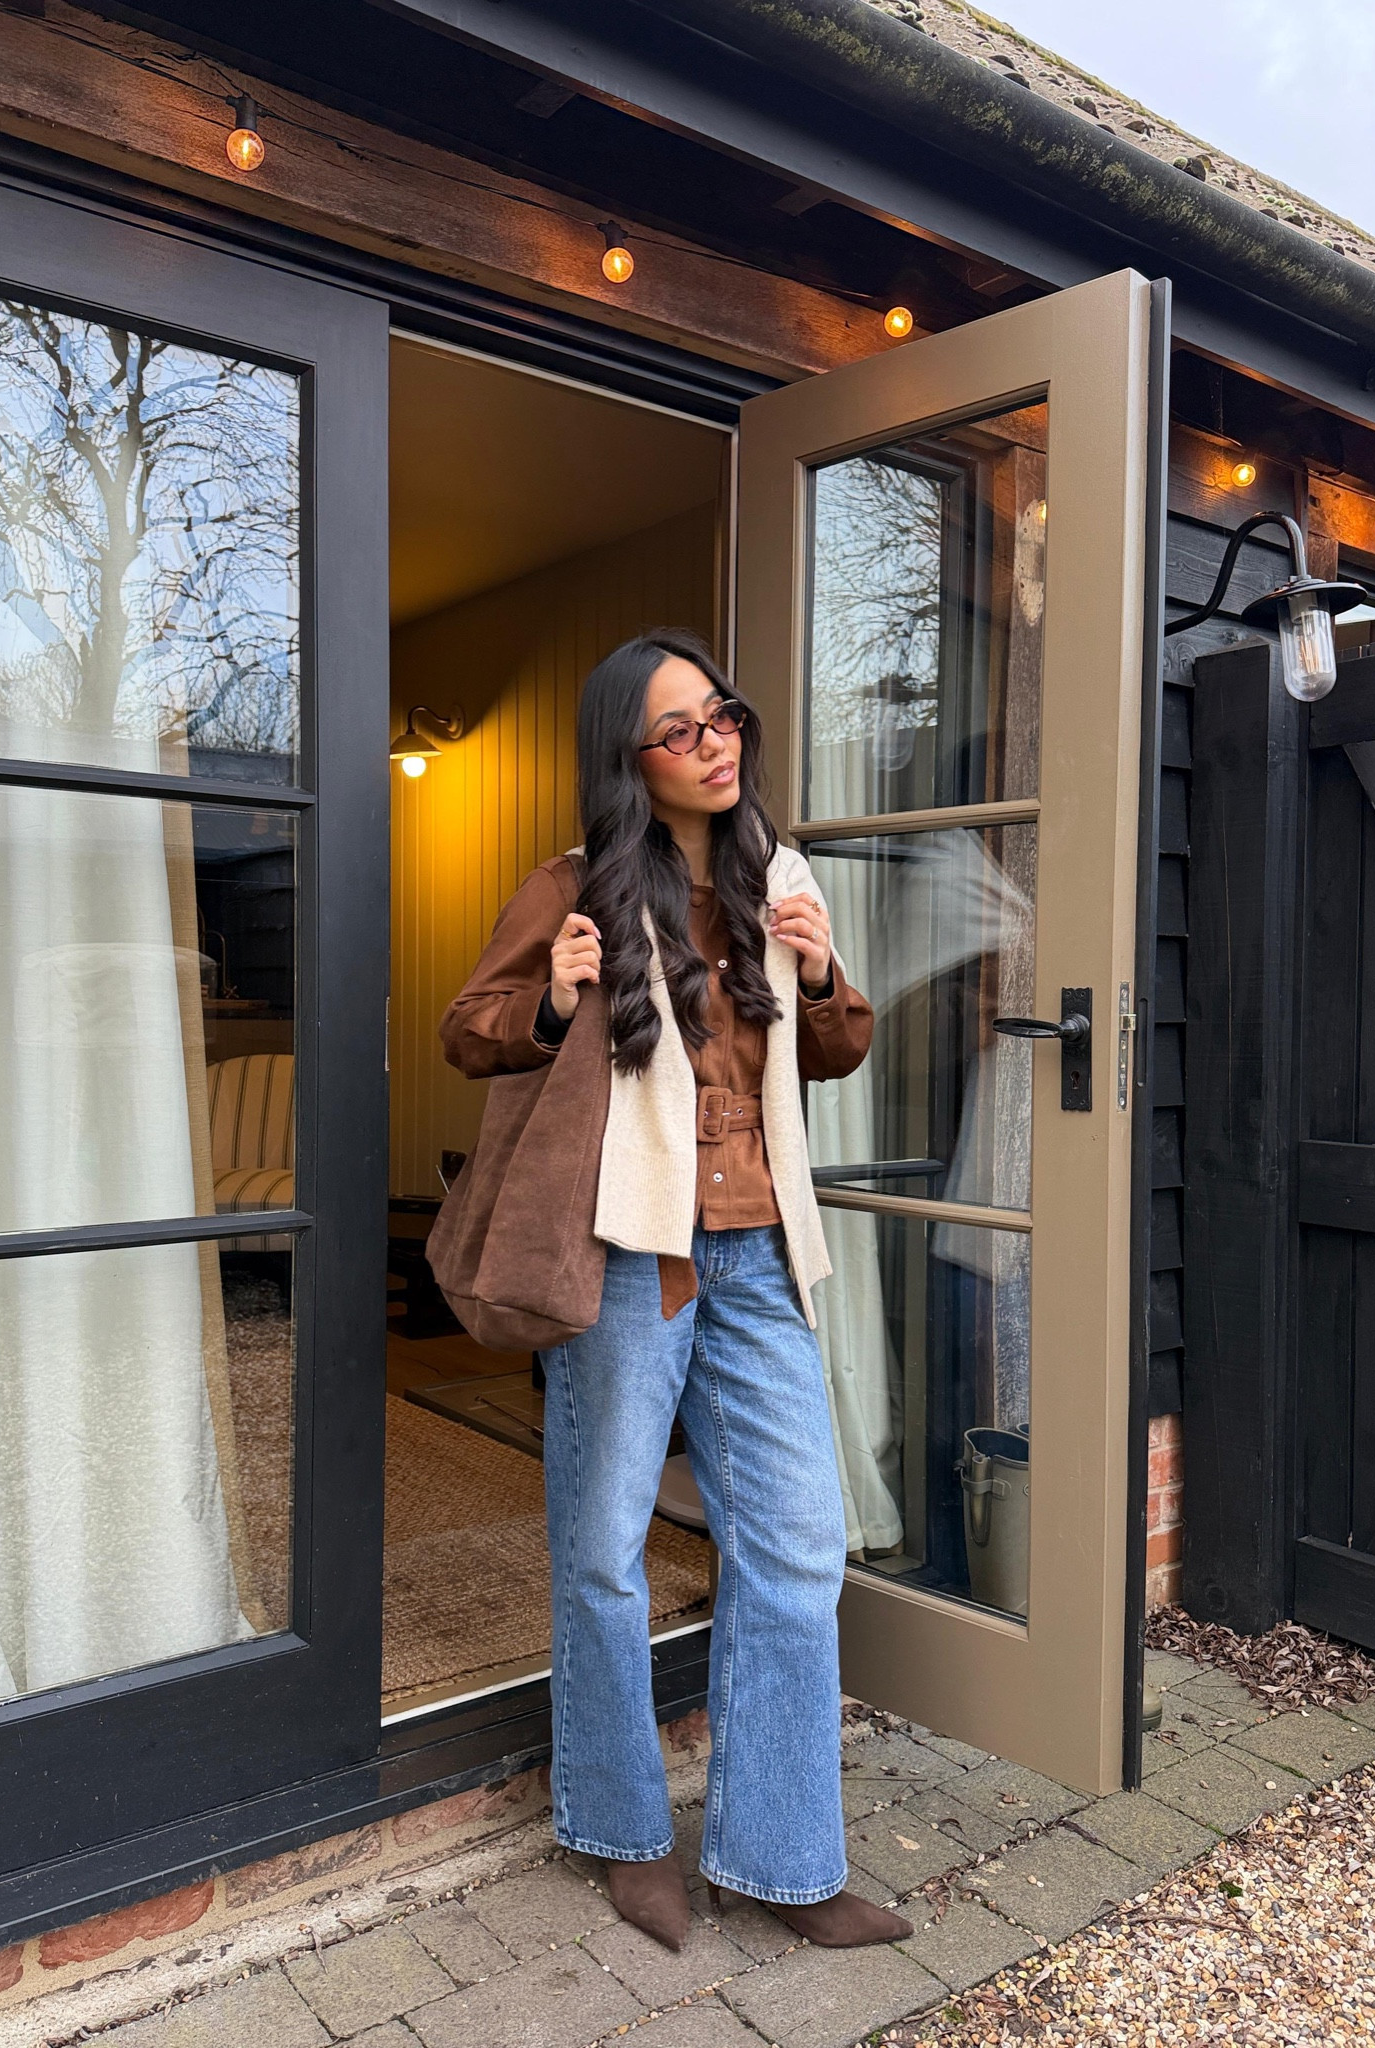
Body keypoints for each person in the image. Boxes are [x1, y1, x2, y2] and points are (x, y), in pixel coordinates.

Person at [439, 628, 911, 1951]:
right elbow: (468, 1029)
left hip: (756, 1253)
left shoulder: (778, 877)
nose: (715, 744)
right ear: (627, 759)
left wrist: (821, 974)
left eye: (723, 716)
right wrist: (552, 997)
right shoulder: (574, 884)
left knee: (798, 1548)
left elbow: (833, 1049)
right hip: (631, 1252)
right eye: (680, 730)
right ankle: (621, 1832)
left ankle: (782, 1860)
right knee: (603, 1552)